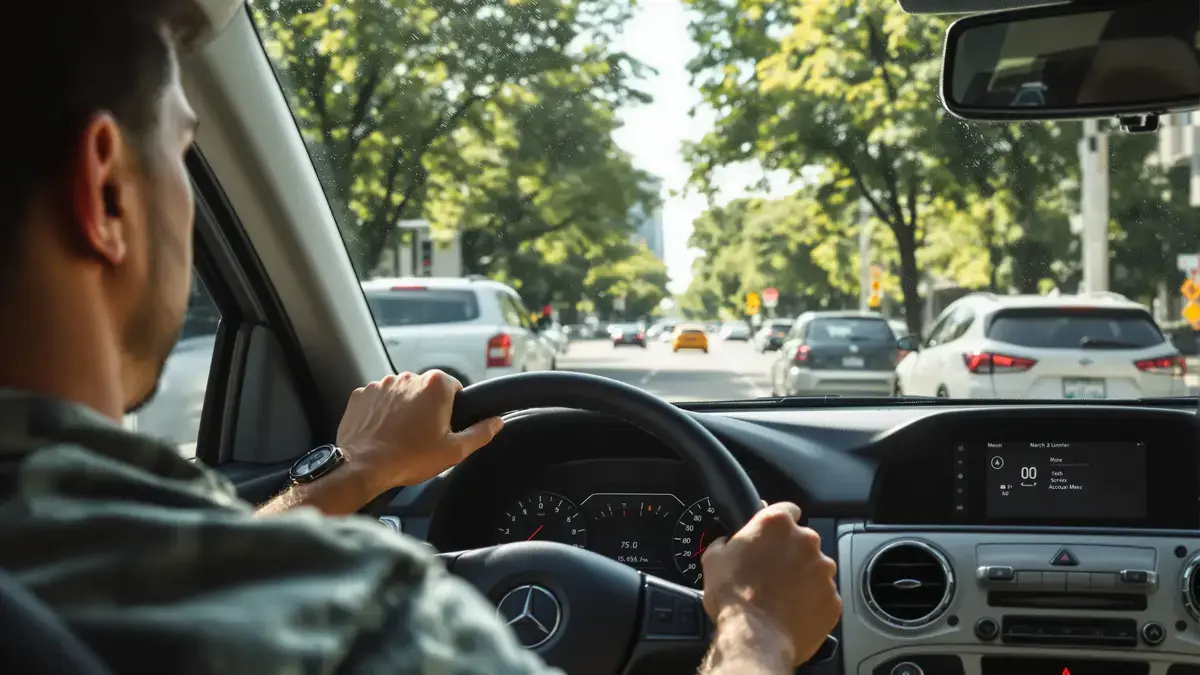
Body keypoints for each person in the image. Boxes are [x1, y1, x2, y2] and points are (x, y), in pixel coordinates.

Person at [0, 1, 842, 674]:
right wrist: (757, 629)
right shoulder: (352, 622)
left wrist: (359, 471)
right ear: (104, 190)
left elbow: (175, 565)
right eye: (185, 152)